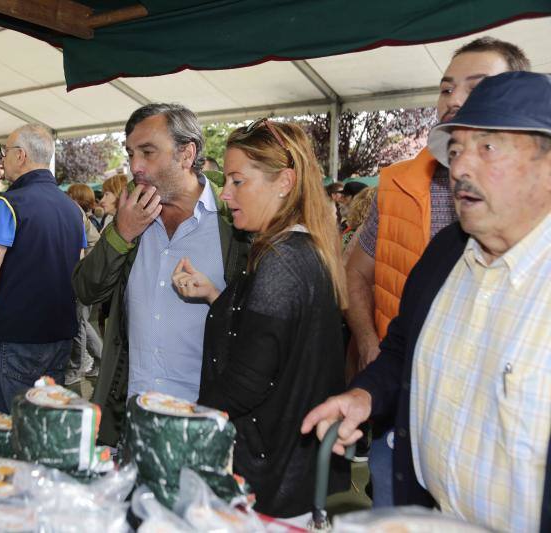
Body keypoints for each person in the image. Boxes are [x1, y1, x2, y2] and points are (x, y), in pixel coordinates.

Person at [302, 71, 551, 532]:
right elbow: (401, 351)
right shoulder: (445, 256)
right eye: (454, 151)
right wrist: (365, 394)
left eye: (487, 147)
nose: (459, 168)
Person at [342, 37, 529, 506]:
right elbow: (401, 330)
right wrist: (369, 367)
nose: (457, 99)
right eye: (447, 89)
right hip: (406, 437)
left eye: (479, 86)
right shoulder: (436, 238)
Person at [171, 119, 349, 519]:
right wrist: (217, 296)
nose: (226, 193)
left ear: (284, 181)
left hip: (269, 481)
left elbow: (249, 380)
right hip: (286, 471)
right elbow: (271, 333)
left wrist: (183, 420)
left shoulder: (281, 259)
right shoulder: (296, 248)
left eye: (237, 181)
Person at [72, 103, 250, 445]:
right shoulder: (130, 216)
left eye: (148, 152)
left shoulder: (234, 225)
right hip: (131, 419)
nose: (135, 167)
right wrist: (120, 235)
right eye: (131, 153)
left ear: (187, 154)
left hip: (206, 424)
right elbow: (85, 289)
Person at [0, 124, 85, 413]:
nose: (3, 158)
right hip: (60, 335)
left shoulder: (9, 204)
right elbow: (79, 270)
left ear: (21, 155)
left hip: (15, 335)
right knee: (43, 425)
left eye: (6, 151)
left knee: (3, 428)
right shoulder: (73, 209)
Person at [65, 183, 103, 385]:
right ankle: (101, 360)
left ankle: (75, 369)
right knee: (82, 321)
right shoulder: (76, 211)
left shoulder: (73, 210)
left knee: (78, 322)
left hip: (85, 274)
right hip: (89, 272)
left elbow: (78, 247)